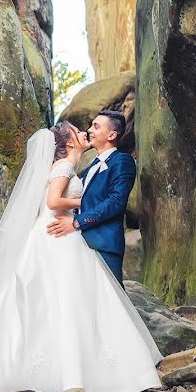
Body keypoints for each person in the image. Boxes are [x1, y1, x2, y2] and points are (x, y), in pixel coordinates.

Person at [0, 121, 162, 392]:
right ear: (69, 143)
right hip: (56, 234)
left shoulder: (81, 167)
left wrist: (80, 212)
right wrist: (84, 204)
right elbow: (53, 202)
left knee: (68, 298)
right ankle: (71, 373)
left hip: (64, 232)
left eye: (92, 127)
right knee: (63, 298)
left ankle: (72, 369)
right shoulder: (64, 166)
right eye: (80, 131)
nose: (85, 132)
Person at [46, 110, 133, 285]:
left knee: (111, 301)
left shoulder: (122, 161)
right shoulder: (90, 166)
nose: (89, 130)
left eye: (96, 126)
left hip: (104, 243)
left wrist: (77, 222)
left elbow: (115, 202)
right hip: (80, 242)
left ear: (111, 134)